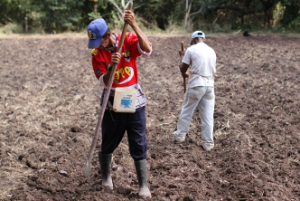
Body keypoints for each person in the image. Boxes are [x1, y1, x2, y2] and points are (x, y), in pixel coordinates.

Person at [86, 9, 152, 198]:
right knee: (108, 141)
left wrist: (134, 25)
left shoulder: (128, 39)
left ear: (107, 35)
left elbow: (147, 49)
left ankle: (143, 185)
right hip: (112, 100)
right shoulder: (97, 54)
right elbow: (104, 81)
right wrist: (110, 68)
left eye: (100, 41)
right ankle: (106, 176)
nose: (97, 45)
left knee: (138, 142)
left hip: (134, 99)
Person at [173, 31, 216, 151]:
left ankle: (180, 136)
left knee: (186, 110)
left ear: (193, 40)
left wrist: (182, 55)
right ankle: (208, 143)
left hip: (196, 85)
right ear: (204, 39)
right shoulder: (211, 51)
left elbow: (183, 68)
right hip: (210, 86)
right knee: (207, 116)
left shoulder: (191, 50)